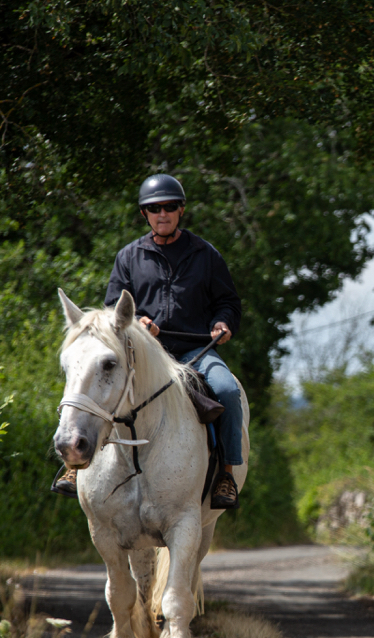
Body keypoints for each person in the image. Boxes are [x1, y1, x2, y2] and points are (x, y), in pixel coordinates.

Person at [52, 173, 244, 510]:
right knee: (91, 382)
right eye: (154, 208)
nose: (163, 213)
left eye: (170, 207)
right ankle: (74, 467)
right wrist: (137, 323)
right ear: (145, 214)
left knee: (227, 389)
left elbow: (228, 301)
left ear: (181, 210)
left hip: (195, 352)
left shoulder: (206, 254)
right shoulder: (128, 256)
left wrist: (222, 322)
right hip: (141, 354)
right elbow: (112, 307)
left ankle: (225, 474)